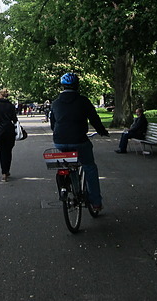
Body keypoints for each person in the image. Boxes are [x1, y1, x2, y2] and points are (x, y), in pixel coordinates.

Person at [49, 73, 109, 211]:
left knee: (66, 165)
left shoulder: (56, 103)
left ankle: (66, 187)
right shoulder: (83, 101)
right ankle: (95, 202)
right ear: (77, 85)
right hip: (79, 141)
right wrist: (102, 131)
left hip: (60, 141)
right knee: (89, 167)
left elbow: (53, 124)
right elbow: (94, 119)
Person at [0, 88, 18, 182]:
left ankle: (3, 173)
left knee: (2, 152)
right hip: (9, 130)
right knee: (9, 151)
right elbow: (15, 119)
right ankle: (7, 170)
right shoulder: (11, 106)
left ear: (0, 95)